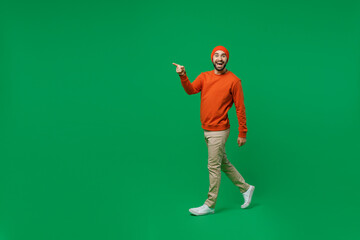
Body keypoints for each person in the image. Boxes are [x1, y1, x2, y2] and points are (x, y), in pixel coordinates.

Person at [172, 46, 255, 216]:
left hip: (220, 130)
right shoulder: (204, 76)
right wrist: (182, 75)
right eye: (216, 55)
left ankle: (210, 204)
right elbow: (190, 90)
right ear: (212, 59)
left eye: (223, 56)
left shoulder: (234, 81)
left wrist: (243, 132)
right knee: (222, 162)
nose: (219, 58)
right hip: (207, 129)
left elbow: (240, 108)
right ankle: (246, 188)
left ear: (227, 59)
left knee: (213, 166)